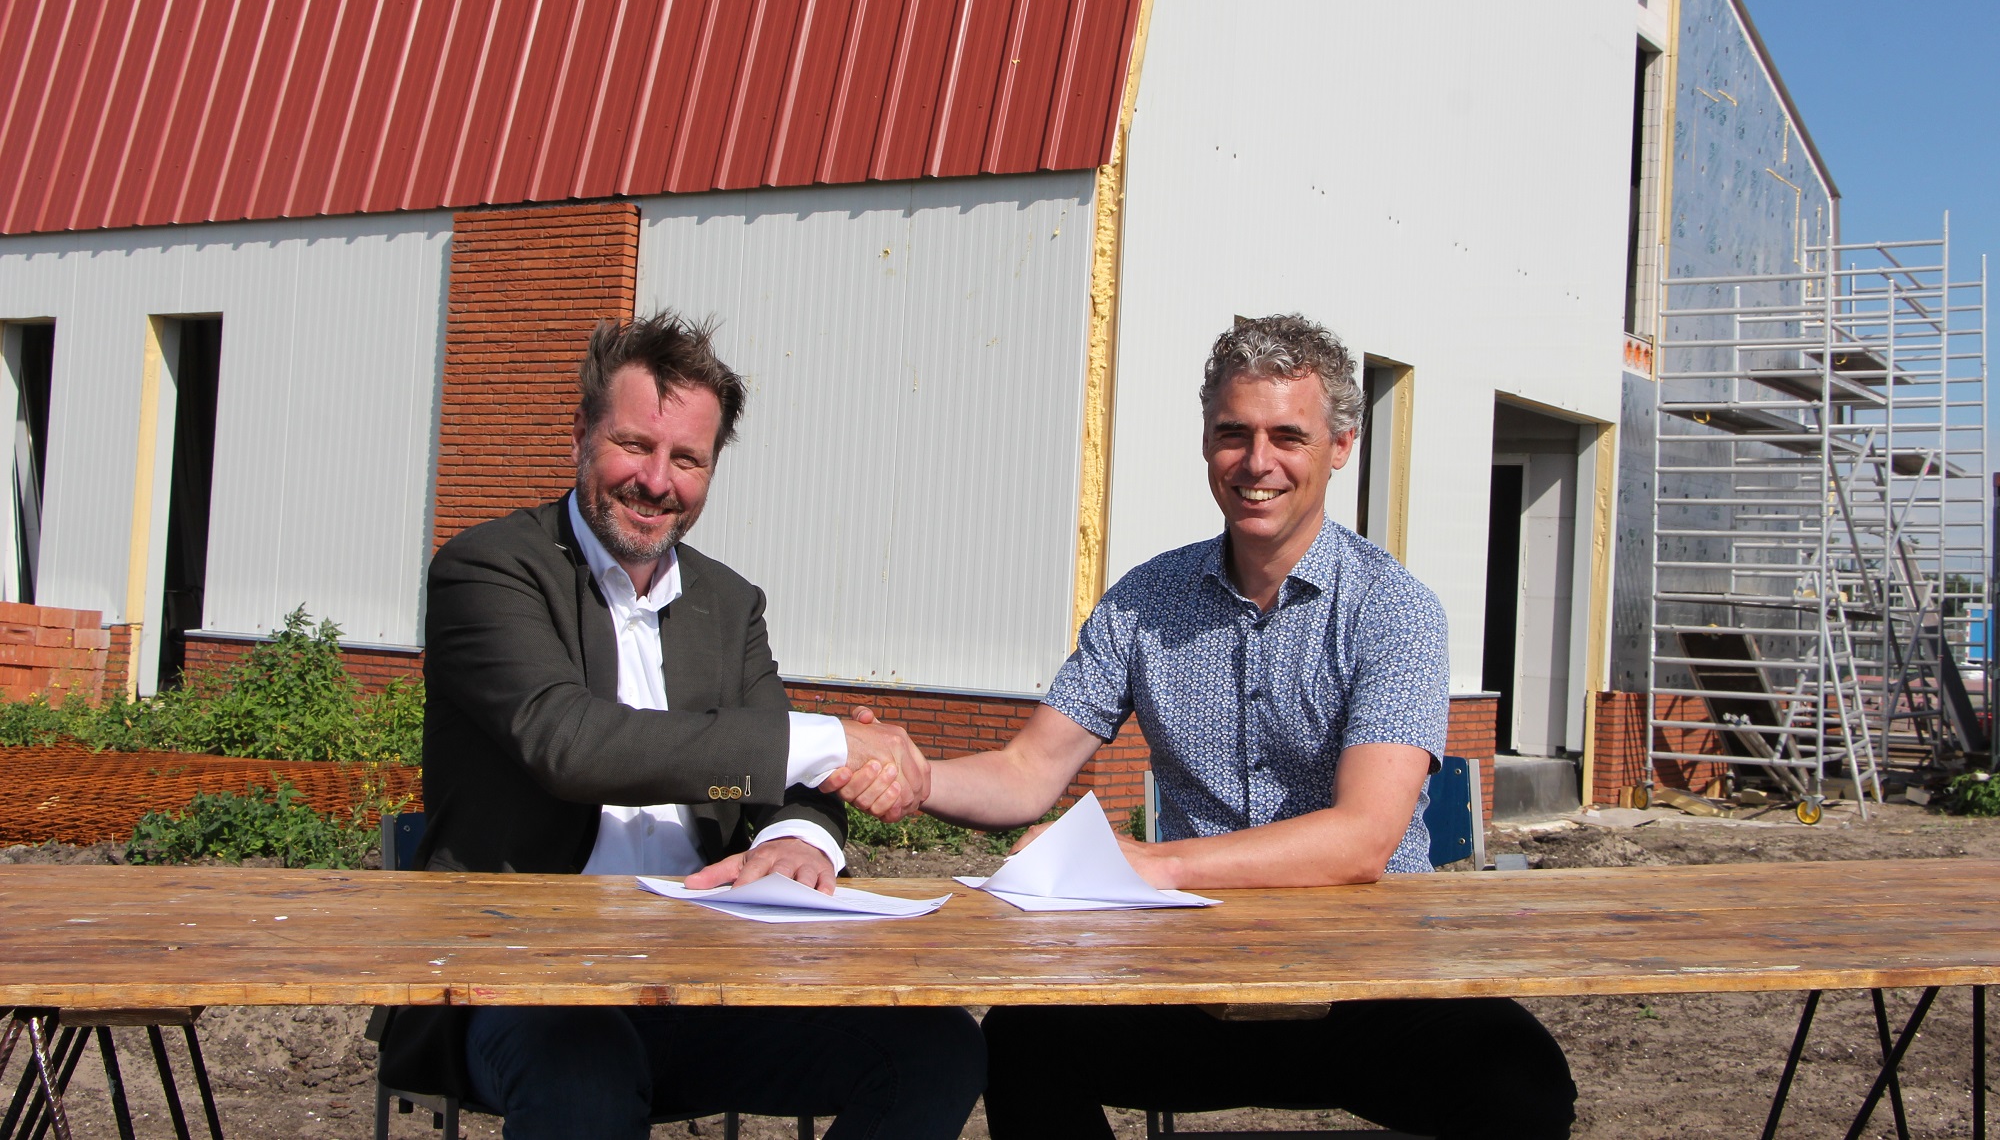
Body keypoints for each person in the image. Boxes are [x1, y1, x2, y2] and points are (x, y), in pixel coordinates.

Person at [853, 314, 1575, 1140]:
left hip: (1371, 986)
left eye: (1287, 436)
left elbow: (1363, 838)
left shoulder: (1393, 608)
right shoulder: (1144, 601)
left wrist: (1153, 865)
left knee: (1524, 1083)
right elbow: (1028, 769)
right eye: (1234, 433)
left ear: (1341, 445)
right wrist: (919, 776)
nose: (1257, 461)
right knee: (1025, 1039)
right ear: (1206, 442)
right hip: (1187, 979)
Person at [374, 311, 982, 1140]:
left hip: (699, 974)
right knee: (585, 1069)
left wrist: (797, 839)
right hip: (522, 977)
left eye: (687, 459)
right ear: (581, 433)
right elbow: (569, 744)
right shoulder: (489, 568)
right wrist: (834, 739)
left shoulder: (728, 604)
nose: (657, 481)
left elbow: (775, 772)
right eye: (635, 444)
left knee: (935, 1047)